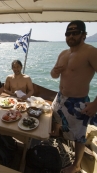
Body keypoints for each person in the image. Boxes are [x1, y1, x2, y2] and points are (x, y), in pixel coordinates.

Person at [50, 20, 97, 173]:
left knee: (79, 136)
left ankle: (76, 165)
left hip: (77, 102)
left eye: (75, 33)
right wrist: (55, 72)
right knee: (54, 118)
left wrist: (95, 104)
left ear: (83, 35)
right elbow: (53, 75)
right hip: (60, 98)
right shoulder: (63, 53)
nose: (71, 36)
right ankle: (56, 134)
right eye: (68, 33)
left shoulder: (91, 52)